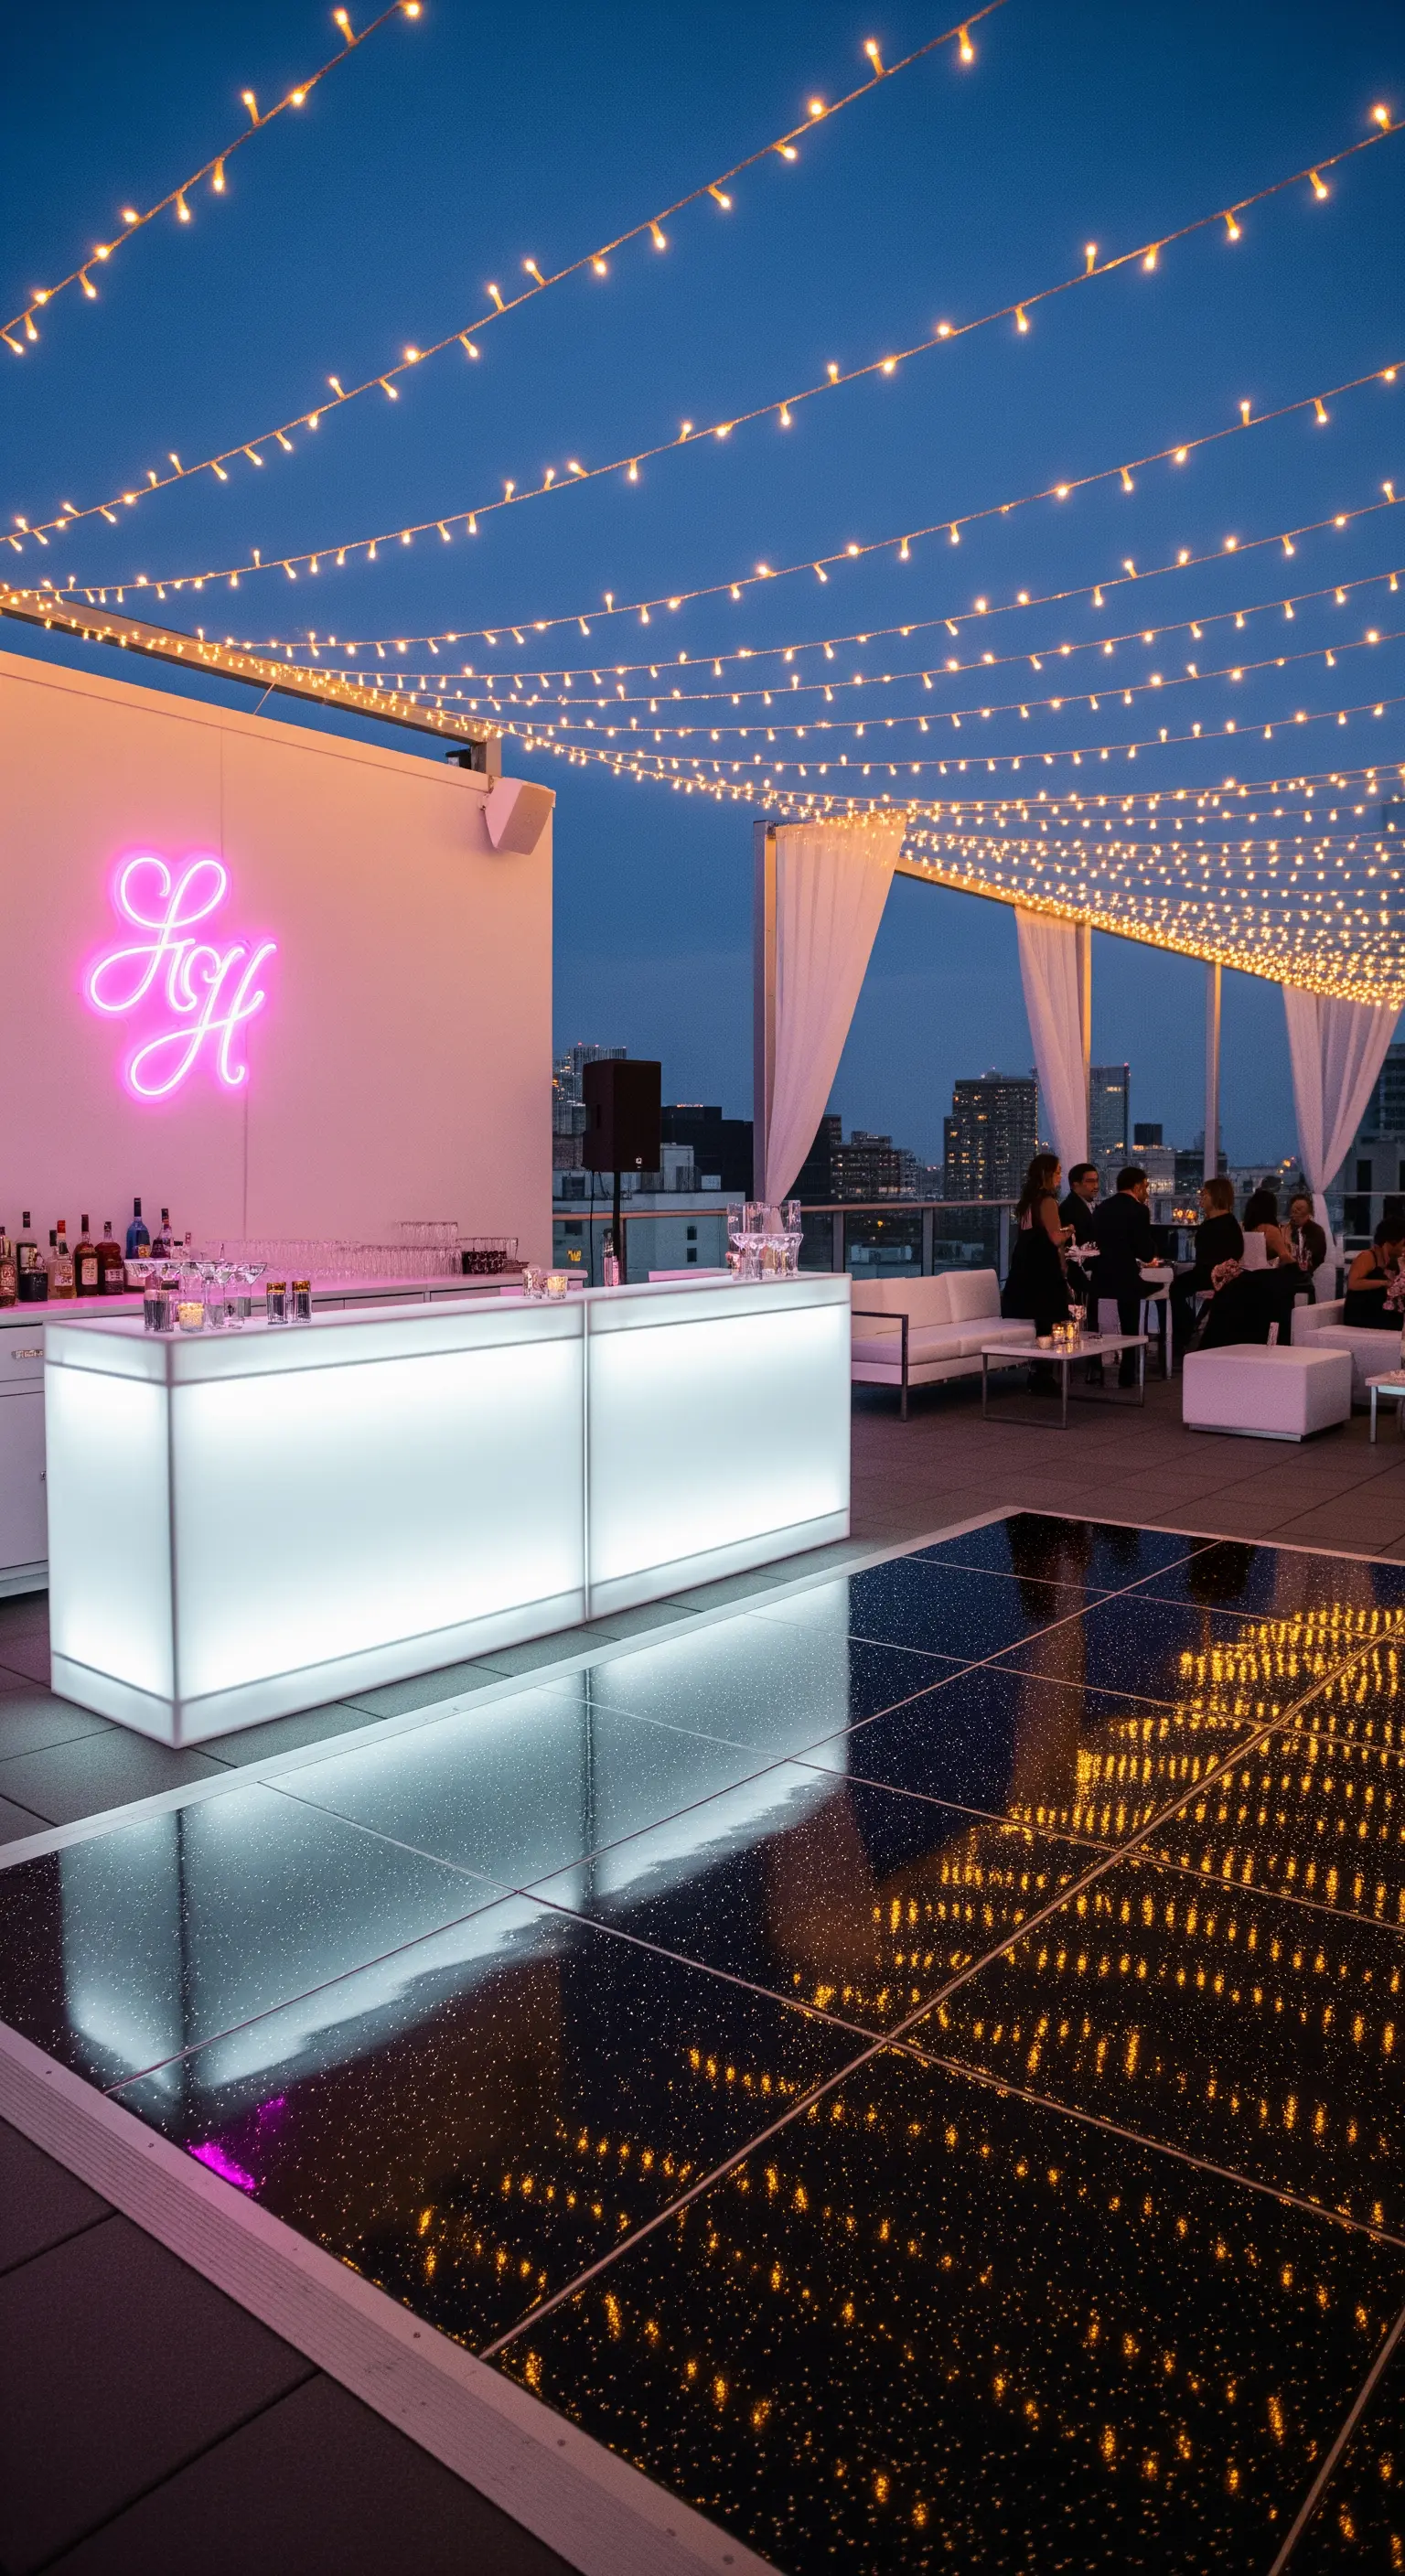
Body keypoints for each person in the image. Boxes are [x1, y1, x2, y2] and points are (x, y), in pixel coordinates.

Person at [1002, 1153, 1071, 1364]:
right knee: (1049, 1318)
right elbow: (1055, 1237)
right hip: (1043, 1269)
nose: (1060, 1177)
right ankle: (1045, 1370)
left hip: (1025, 1266)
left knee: (1038, 1318)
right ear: (1047, 1174)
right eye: (1058, 1172)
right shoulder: (1048, 1201)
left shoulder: (1027, 1202)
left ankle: (1036, 1368)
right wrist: (1069, 1230)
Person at [1090, 1165, 1157, 1385]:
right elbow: (1145, 1252)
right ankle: (1128, 1374)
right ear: (1136, 1187)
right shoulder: (1139, 1210)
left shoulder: (1101, 1208)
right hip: (1126, 1277)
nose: (1147, 1192)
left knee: (1097, 1325)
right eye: (1145, 1186)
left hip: (1101, 1277)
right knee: (1130, 1326)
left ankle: (1095, 1370)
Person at [1170, 1175, 1243, 1358]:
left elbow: (1205, 1261)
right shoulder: (1231, 1223)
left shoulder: (1210, 1227)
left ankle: (1185, 1329)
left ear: (1215, 1196)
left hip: (1208, 1275)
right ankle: (1189, 1327)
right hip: (1224, 1278)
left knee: (1175, 1287)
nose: (1200, 1198)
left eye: (1205, 1195)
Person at [1343, 1218, 1405, 1328]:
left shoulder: (1395, 1261)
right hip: (1362, 1316)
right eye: (1403, 1244)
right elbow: (1353, 1284)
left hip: (1381, 1313)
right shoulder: (1367, 1257)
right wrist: (1384, 1283)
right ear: (1392, 1242)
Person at [1284, 1190, 1328, 1295]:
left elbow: (1306, 1259)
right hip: (1288, 1273)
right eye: (1293, 1210)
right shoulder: (1288, 1228)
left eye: (1299, 1209)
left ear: (1309, 1213)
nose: (1295, 1213)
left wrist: (1287, 1242)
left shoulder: (1316, 1231)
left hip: (1305, 1276)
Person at [1059, 1163, 1099, 1245]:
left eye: (1096, 1180)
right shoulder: (1067, 1209)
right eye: (1090, 1181)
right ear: (1076, 1184)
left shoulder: (1094, 1205)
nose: (1096, 1186)